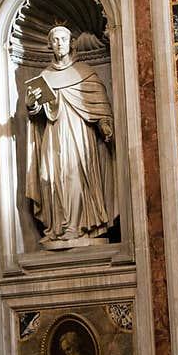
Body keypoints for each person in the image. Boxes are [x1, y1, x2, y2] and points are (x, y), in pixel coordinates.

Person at [25, 25, 116, 246]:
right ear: (50, 45)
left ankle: (75, 227)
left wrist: (105, 123)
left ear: (71, 42)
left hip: (78, 134)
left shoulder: (84, 73)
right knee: (49, 178)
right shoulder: (44, 77)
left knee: (73, 177)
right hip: (53, 134)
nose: (59, 43)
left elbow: (99, 103)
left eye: (63, 39)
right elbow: (37, 113)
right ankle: (58, 226)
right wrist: (32, 105)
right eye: (55, 40)